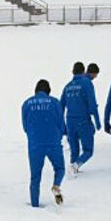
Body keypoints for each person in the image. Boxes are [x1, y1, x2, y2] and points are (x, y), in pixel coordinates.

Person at [22, 79, 66, 207]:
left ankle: (34, 204)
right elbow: (61, 124)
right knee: (60, 168)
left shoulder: (27, 103)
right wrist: (59, 135)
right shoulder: (55, 102)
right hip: (53, 141)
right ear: (48, 91)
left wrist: (33, 135)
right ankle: (56, 185)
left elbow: (25, 126)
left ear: (36, 91)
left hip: (35, 143)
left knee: (35, 177)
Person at [60, 61, 101, 175]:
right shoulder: (86, 83)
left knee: (74, 150)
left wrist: (62, 126)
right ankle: (75, 165)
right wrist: (97, 121)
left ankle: (73, 169)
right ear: (83, 71)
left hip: (70, 121)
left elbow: (60, 107)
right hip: (82, 119)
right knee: (88, 150)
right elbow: (92, 104)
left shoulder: (67, 86)